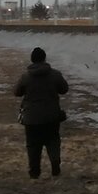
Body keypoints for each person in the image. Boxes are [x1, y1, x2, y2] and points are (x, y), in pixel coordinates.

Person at [14, 46, 69, 179]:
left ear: (32, 60)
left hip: (31, 119)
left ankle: (34, 174)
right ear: (44, 59)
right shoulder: (55, 74)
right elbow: (64, 89)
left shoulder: (25, 77)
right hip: (52, 117)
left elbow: (17, 92)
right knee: (53, 141)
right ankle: (55, 168)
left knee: (33, 146)